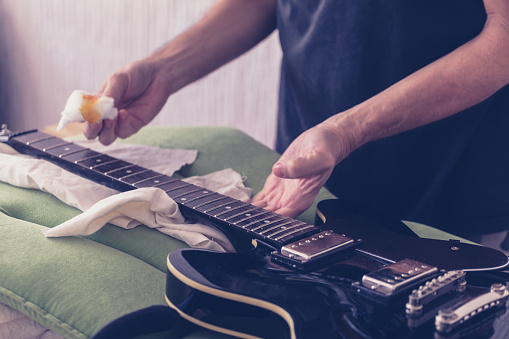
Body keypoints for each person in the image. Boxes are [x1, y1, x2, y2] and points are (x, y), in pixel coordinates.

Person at [84, 0, 509, 242]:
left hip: (452, 197)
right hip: (302, 185)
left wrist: (348, 130)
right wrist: (164, 71)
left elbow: (503, 38)